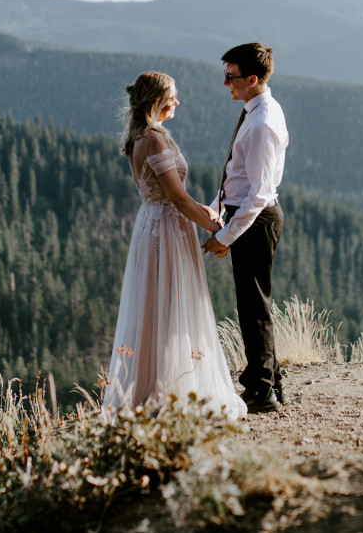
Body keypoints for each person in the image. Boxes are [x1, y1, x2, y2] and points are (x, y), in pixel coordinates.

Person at [101, 72, 248, 420]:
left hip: (154, 226)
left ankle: (156, 388)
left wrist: (206, 209)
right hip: (166, 230)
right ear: (156, 100)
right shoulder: (153, 140)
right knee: (171, 304)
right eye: (173, 96)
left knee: (156, 305)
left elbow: (176, 198)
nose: (177, 102)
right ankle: (167, 391)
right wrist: (216, 229)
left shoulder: (140, 138)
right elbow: (178, 200)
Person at [203, 43, 289, 413]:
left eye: (231, 76)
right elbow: (239, 178)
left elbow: (257, 194)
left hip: (255, 220)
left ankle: (262, 390)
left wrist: (224, 237)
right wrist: (217, 209)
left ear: (252, 79)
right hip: (245, 216)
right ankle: (270, 382)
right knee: (253, 304)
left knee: (253, 307)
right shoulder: (257, 111)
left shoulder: (261, 123)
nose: (226, 83)